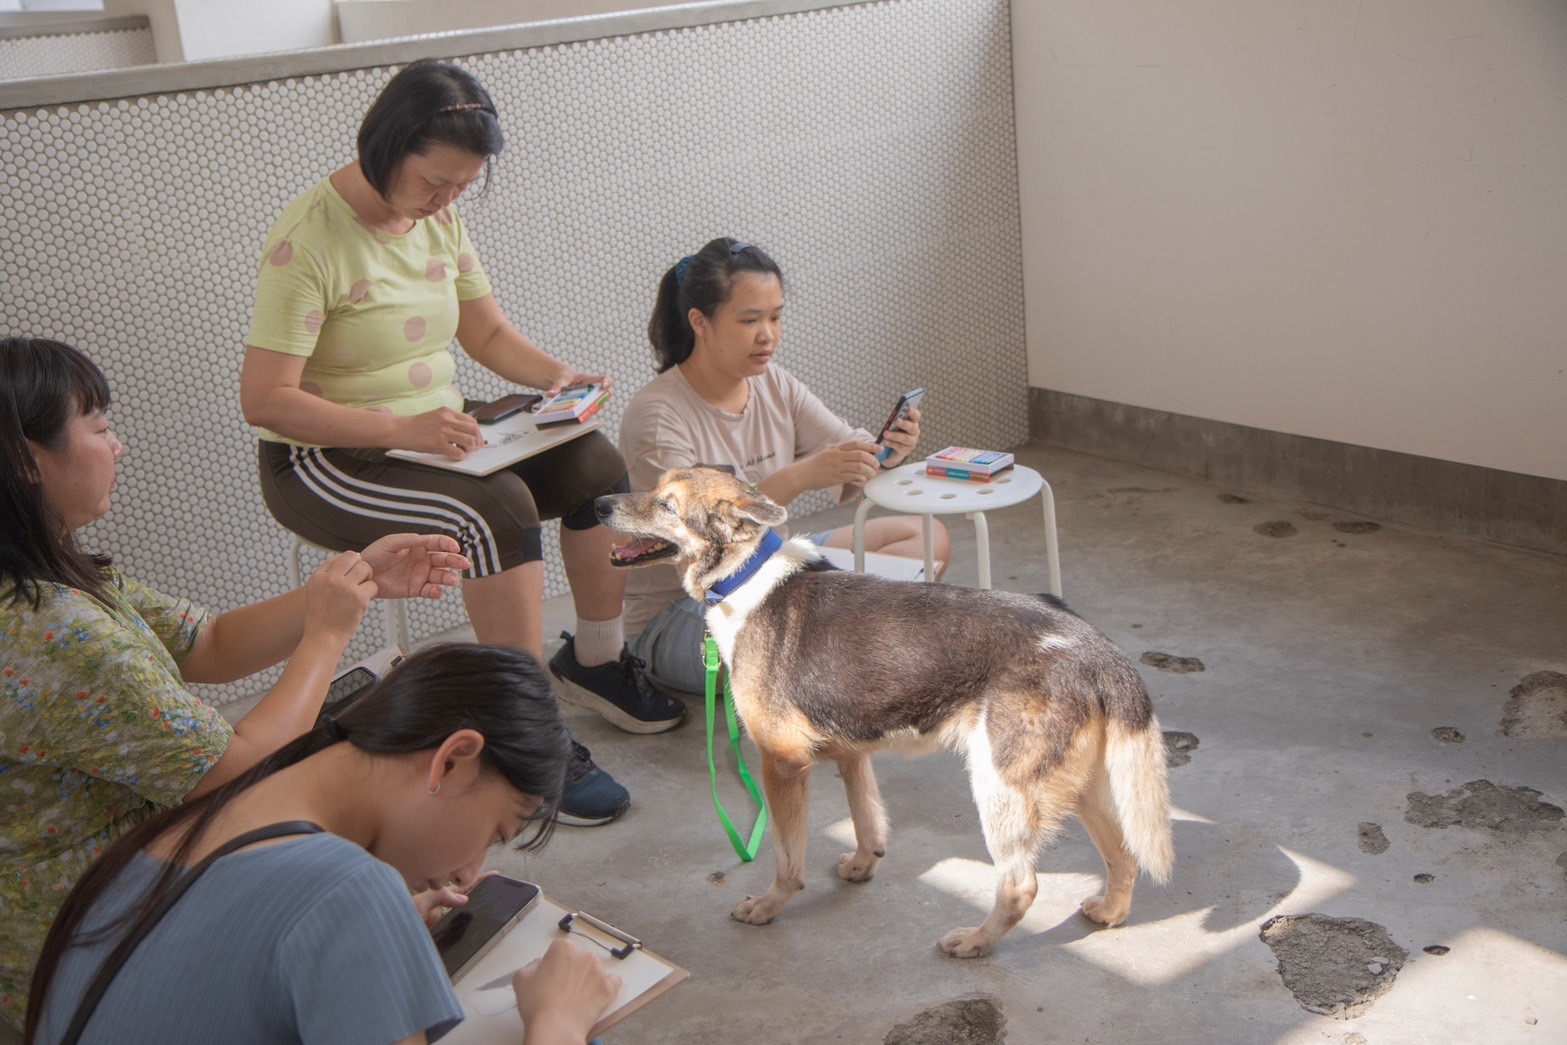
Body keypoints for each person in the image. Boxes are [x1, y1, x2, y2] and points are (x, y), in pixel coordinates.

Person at [238, 60, 685, 827]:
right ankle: (526, 737)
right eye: (435, 183)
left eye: (460, 187)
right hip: (325, 455)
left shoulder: (436, 216)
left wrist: (560, 378)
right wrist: (399, 429)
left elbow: (483, 330)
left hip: (434, 427)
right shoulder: (306, 242)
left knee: (595, 466)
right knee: (494, 510)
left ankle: (596, 658)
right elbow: (267, 400)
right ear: (385, 145)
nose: (446, 202)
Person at [0, 336, 471, 1031]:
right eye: (99, 427)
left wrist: (351, 583)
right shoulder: (53, 633)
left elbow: (209, 641)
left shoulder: (53, 573)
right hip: (90, 938)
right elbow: (240, 771)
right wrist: (327, 634)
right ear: (25, 461)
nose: (119, 447)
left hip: (126, 888)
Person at [26, 642, 622, 1045]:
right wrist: (558, 1023)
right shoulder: (349, 891)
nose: (468, 873)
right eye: (496, 832)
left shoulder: (192, 826)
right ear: (454, 759)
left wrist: (366, 949)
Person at [618, 238, 952, 694]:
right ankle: (854, 649)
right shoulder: (658, 417)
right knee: (797, 629)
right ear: (700, 322)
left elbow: (844, 444)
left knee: (925, 539)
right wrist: (800, 476)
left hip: (773, 571)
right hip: (688, 613)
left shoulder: (772, 382)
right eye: (750, 320)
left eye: (775, 317)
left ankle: (847, 647)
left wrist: (886, 451)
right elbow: (706, 541)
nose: (768, 335)